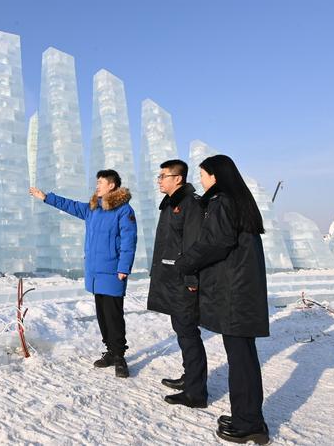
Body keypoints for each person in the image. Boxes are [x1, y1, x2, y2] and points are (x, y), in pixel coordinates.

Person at [175, 155, 270, 445]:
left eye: (203, 175)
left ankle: (249, 423)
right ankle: (247, 415)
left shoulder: (222, 202)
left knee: (241, 359)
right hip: (241, 291)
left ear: (215, 176)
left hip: (235, 293)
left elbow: (215, 242)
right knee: (243, 357)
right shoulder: (237, 200)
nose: (201, 180)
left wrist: (185, 262)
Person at [30, 169, 137, 378]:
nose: (97, 185)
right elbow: (70, 205)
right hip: (95, 272)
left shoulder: (124, 210)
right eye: (97, 182)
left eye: (100, 182)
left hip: (113, 272)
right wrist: (46, 198)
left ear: (112, 185)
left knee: (114, 315)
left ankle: (120, 357)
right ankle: (110, 350)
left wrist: (124, 268)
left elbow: (129, 241)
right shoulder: (92, 208)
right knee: (102, 315)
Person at [146, 159, 208, 408]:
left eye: (163, 176)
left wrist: (191, 278)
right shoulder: (172, 204)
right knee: (182, 332)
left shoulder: (190, 205)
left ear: (178, 178)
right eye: (159, 176)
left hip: (183, 281)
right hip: (172, 279)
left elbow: (193, 245)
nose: (159, 180)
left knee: (188, 333)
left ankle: (196, 393)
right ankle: (190, 377)